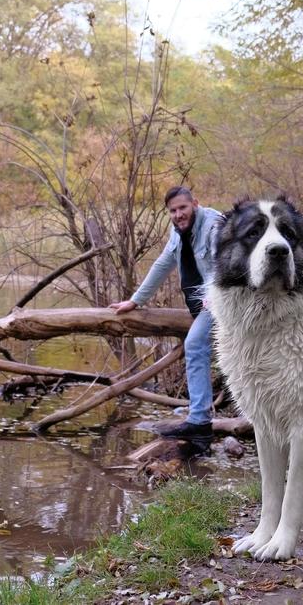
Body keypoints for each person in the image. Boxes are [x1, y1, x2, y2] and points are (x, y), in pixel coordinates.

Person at [109, 186, 221, 443]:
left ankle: (199, 421)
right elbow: (163, 263)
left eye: (182, 208)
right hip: (206, 303)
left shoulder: (214, 227)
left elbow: (226, 267)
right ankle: (202, 416)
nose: (178, 214)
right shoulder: (179, 231)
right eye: (172, 211)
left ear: (196, 203)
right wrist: (135, 301)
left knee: (194, 343)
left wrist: (212, 299)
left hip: (226, 299)